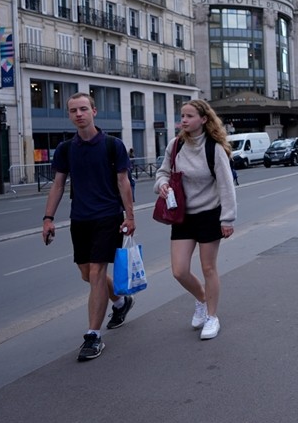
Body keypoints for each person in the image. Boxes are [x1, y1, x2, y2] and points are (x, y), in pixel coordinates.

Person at [41, 92, 136, 362]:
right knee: (86, 274)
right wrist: (48, 218)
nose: (79, 114)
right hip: (80, 218)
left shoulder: (112, 145)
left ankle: (93, 336)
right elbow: (58, 185)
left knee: (96, 272)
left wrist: (130, 216)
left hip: (108, 216)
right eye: (73, 111)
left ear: (94, 111)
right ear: (69, 116)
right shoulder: (66, 149)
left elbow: (123, 182)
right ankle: (120, 301)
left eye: (84, 109)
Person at [155, 100, 237, 340]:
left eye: (189, 116)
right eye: (182, 115)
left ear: (203, 119)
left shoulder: (214, 148)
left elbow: (226, 186)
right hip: (182, 214)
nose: (184, 120)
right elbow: (162, 172)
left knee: (208, 267)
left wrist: (228, 219)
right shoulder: (176, 144)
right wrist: (162, 184)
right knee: (179, 271)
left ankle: (212, 317)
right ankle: (201, 299)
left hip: (210, 214)